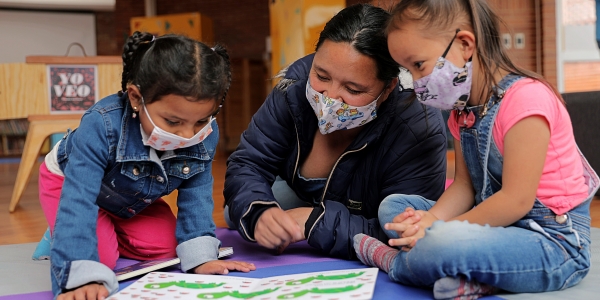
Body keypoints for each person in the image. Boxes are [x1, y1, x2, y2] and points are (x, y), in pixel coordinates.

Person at [353, 0, 600, 299]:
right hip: (494, 228)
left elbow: (516, 201)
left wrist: (437, 232)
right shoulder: (463, 111)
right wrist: (429, 221)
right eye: (408, 71)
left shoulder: (526, 101)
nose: (417, 83)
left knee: (437, 242)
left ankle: (399, 265)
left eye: (418, 65)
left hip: (553, 243)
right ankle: (472, 276)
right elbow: (464, 187)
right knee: (393, 207)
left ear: (465, 44)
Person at [39, 32, 255, 300]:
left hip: (130, 195)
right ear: (135, 97)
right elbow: (78, 199)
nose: (188, 135)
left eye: (200, 121)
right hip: (70, 184)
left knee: (170, 248)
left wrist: (201, 258)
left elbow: (197, 196)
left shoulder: (205, 135)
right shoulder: (100, 125)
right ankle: (60, 231)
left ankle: (102, 226)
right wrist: (78, 272)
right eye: (173, 122)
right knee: (100, 259)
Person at [224, 3, 448, 260]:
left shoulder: (418, 126)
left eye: (353, 90)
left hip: (366, 212)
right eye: (321, 75)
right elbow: (248, 162)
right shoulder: (293, 87)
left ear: (387, 89)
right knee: (239, 212)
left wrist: (314, 221)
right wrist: (260, 212)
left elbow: (402, 231)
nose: (330, 98)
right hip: (302, 196)